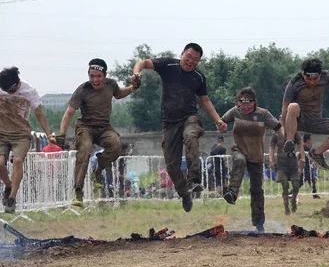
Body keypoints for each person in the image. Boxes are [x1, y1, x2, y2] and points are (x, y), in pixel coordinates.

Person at [132, 43, 227, 212]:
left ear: (198, 62)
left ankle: (194, 179)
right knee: (172, 166)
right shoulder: (168, 65)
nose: (190, 61)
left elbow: (205, 101)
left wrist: (218, 120)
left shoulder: (198, 77)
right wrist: (137, 73)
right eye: (188, 57)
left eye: (195, 60)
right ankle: (184, 193)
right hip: (169, 123)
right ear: (182, 54)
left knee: (190, 136)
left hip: (190, 118)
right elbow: (144, 63)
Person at [57, 59, 135, 207]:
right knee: (85, 150)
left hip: (104, 127)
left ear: (104, 76)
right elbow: (69, 113)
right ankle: (78, 191)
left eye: (98, 76)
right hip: (86, 127)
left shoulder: (111, 85)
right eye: (92, 76)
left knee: (116, 146)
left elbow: (119, 94)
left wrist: (133, 88)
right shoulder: (83, 90)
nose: (95, 80)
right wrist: (62, 134)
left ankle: (98, 170)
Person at [221, 87, 281, 233]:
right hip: (239, 149)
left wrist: (287, 139)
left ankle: (259, 222)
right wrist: (221, 125)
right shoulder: (234, 111)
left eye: (249, 102)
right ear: (238, 102)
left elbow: (278, 127)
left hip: (256, 155)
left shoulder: (263, 114)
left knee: (257, 190)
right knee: (240, 161)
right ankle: (232, 192)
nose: (246, 106)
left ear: (254, 102)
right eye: (242, 102)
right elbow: (221, 121)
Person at [0, 67, 54, 213]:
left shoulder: (29, 91)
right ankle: (8, 185)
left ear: (17, 83)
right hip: (2, 133)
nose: (10, 93)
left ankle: (11, 198)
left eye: (12, 90)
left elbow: (39, 114)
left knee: (17, 161)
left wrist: (49, 135)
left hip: (21, 134)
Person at [270, 127, 304, 215]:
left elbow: (300, 144)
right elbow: (272, 147)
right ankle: (286, 206)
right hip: (281, 163)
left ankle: (293, 200)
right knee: (285, 184)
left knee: (296, 184)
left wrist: (302, 158)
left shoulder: (293, 131)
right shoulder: (277, 134)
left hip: (292, 162)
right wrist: (271, 160)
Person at [301, 133, 319, 199]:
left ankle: (314, 194)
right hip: (304, 166)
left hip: (307, 166)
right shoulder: (304, 148)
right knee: (302, 182)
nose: (312, 140)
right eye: (311, 139)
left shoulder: (308, 148)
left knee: (311, 180)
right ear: (308, 140)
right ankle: (291, 193)